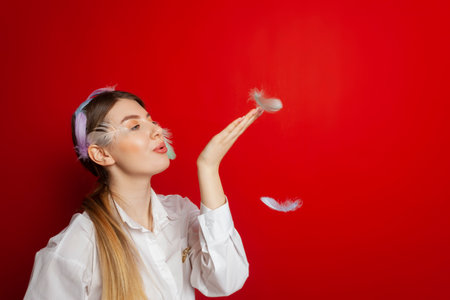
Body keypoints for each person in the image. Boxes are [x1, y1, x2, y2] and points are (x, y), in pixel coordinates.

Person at [24, 87, 264, 300]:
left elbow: (227, 280)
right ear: (102, 154)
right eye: (135, 126)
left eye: (152, 121)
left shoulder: (179, 212)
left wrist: (209, 168)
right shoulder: (74, 249)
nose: (157, 131)